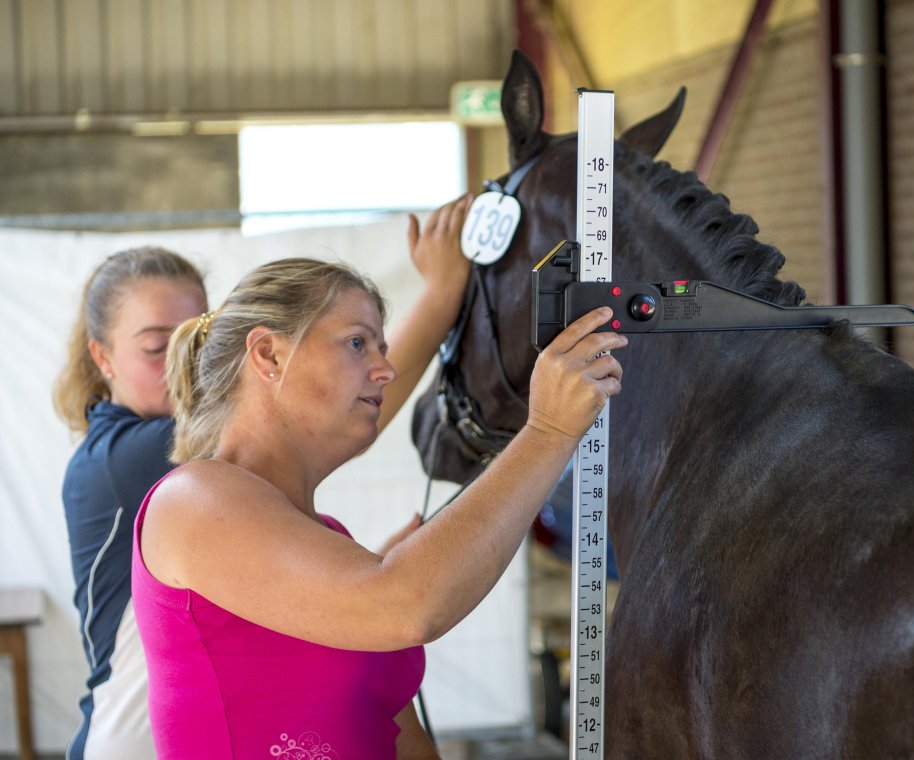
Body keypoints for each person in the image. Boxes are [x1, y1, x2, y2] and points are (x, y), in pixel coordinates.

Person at [131, 242, 627, 754]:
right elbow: (410, 603)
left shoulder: (331, 541)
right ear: (268, 355)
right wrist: (547, 430)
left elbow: (399, 732)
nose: (385, 371)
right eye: (357, 344)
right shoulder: (192, 500)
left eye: (382, 349)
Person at [53, 247, 208, 759]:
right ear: (103, 357)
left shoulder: (185, 455)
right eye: (157, 346)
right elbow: (312, 420)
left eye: (200, 339)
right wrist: (436, 299)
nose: (184, 362)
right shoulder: (130, 457)